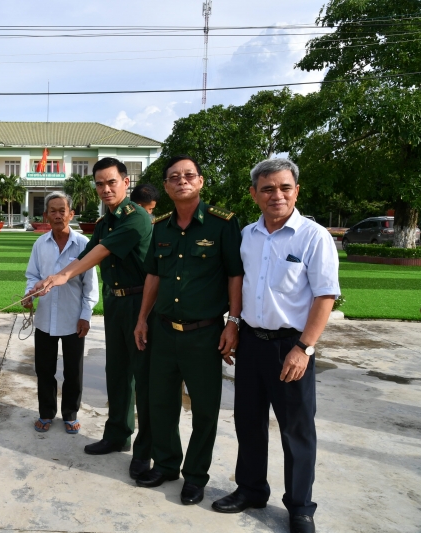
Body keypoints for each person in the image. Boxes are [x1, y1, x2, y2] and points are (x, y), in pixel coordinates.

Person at [212, 159, 339, 533]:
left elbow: (325, 295)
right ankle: (251, 489)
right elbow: (241, 286)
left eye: (284, 187)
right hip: (251, 342)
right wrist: (233, 325)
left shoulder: (313, 236)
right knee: (248, 421)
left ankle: (300, 506)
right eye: (267, 189)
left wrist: (305, 347)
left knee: (296, 430)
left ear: (296, 191)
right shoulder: (248, 235)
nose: (276, 195)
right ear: (254, 194)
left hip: (291, 346)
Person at [28, 157, 154, 480]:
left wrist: (60, 275)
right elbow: (84, 255)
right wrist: (47, 280)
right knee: (117, 372)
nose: (105, 189)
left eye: (111, 182)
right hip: (116, 304)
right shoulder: (104, 223)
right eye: (99, 184)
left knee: (144, 380)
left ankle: (145, 449)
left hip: (141, 302)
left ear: (126, 183)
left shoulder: (135, 218)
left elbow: (97, 255)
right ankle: (117, 434)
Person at [133, 154, 243, 506]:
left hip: (205, 334)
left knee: (205, 409)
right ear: (166, 186)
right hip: (164, 331)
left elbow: (234, 275)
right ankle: (166, 464)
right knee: (161, 403)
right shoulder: (160, 226)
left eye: (189, 175)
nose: (182, 180)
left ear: (200, 182)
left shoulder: (221, 223)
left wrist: (234, 322)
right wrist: (141, 318)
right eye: (174, 177)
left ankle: (195, 476)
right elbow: (153, 275)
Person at [23, 192, 99, 434]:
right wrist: (29, 293)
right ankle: (46, 413)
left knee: (73, 371)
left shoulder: (84, 245)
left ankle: (70, 414)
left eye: (62, 210)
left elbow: (91, 286)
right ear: (46, 216)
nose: (57, 215)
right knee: (44, 369)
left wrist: (86, 315)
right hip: (45, 318)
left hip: (72, 319)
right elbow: (32, 276)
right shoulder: (40, 244)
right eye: (52, 211)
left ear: (71, 214)